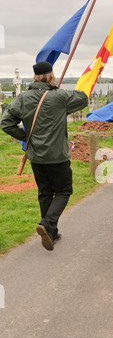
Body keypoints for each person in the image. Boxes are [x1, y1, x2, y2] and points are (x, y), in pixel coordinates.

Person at [0, 61, 88, 251]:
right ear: (50, 76)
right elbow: (83, 98)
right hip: (57, 156)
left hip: (36, 156)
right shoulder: (60, 96)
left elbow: (6, 123)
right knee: (64, 191)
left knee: (45, 193)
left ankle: (52, 232)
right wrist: (56, 88)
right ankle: (47, 224)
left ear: (34, 77)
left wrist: (27, 138)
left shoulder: (22, 98)